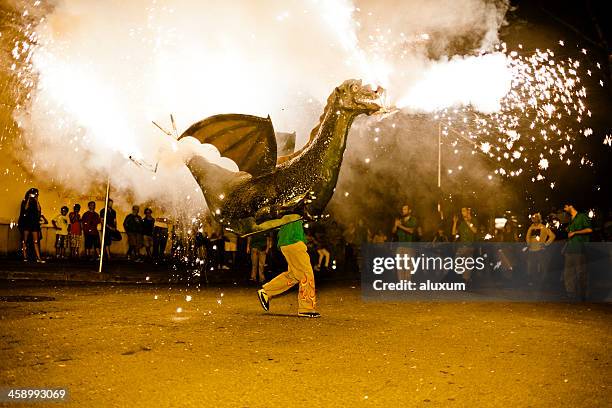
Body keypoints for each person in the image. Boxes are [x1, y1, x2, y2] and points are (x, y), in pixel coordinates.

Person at [257, 220, 320, 318]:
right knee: (306, 274)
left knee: (294, 275)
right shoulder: (293, 208)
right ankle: (306, 308)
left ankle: (267, 291)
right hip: (293, 241)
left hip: (288, 242)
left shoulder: (287, 210)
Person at [563, 201, 592, 300]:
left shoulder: (582, 216)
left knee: (580, 273)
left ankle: (583, 295)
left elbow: (589, 229)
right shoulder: (570, 219)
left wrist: (575, 232)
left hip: (579, 249)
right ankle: (571, 295)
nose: (564, 208)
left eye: (566, 206)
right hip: (570, 250)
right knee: (568, 273)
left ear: (571, 206)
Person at [525, 213, 556, 287]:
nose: (534, 218)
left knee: (542, 267)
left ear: (539, 218)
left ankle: (543, 282)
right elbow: (527, 237)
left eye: (536, 217)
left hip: (540, 251)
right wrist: (529, 244)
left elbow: (552, 236)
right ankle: (535, 282)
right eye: (533, 217)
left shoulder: (543, 227)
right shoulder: (531, 228)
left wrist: (545, 244)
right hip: (532, 250)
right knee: (533, 267)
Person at [18, 188, 45, 263]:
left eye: (36, 194)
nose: (35, 195)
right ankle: (25, 256)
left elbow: (39, 210)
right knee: (25, 240)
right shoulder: (25, 201)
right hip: (27, 222)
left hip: (34, 223)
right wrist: (29, 199)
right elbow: (25, 208)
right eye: (34, 194)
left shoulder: (36, 202)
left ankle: (38, 258)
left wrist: (36, 200)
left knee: (35, 241)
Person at [392, 204, 418, 281]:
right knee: (400, 267)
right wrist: (395, 225)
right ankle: (401, 285)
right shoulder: (400, 220)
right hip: (400, 246)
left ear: (410, 211)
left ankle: (407, 285)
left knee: (408, 267)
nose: (403, 211)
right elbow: (393, 231)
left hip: (409, 247)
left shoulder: (413, 220)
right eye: (403, 209)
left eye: (405, 209)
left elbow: (411, 230)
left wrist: (400, 226)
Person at [451, 207, 478, 283]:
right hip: (462, 247)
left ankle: (466, 280)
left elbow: (475, 230)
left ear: (468, 211)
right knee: (459, 262)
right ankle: (466, 279)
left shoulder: (473, 221)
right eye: (461, 211)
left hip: (470, 246)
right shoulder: (462, 223)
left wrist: (468, 222)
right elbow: (453, 233)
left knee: (467, 263)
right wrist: (455, 222)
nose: (462, 212)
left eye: (464, 211)